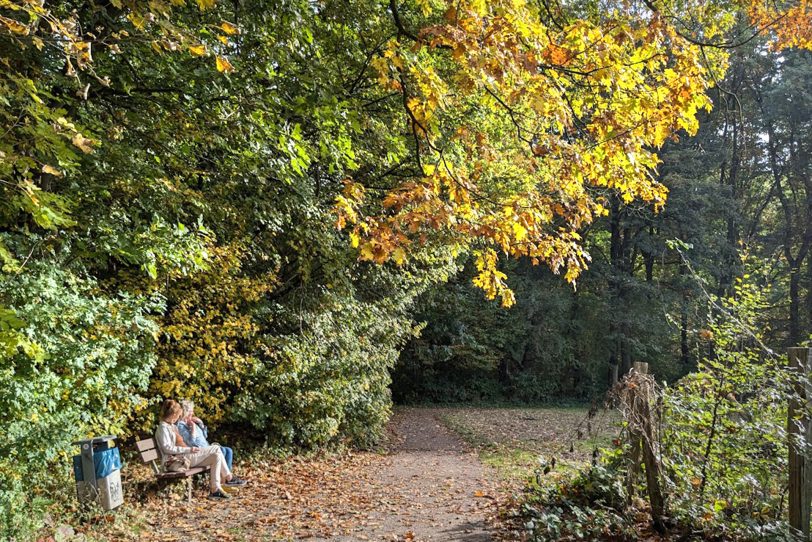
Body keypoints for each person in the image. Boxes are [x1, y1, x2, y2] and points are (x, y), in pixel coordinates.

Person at [154, 399, 246, 500]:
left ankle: (215, 490)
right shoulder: (163, 428)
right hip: (174, 462)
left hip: (181, 457)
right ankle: (229, 478)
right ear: (172, 414)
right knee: (216, 448)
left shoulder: (169, 426)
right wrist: (189, 449)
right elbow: (167, 448)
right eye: (177, 416)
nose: (178, 418)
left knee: (216, 456)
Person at [177, 399, 236, 471]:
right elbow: (191, 443)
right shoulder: (181, 426)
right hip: (198, 452)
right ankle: (224, 477)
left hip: (206, 447)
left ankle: (226, 478)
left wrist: (201, 424)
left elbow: (205, 437)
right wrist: (193, 430)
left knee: (229, 450)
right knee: (222, 450)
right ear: (185, 412)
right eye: (190, 411)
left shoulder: (191, 422)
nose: (192, 412)